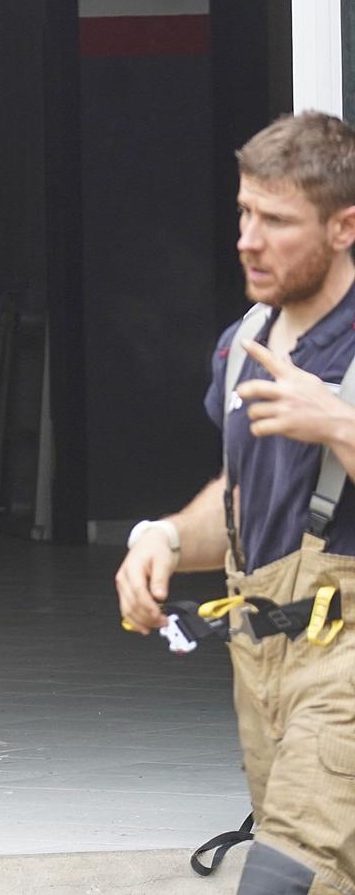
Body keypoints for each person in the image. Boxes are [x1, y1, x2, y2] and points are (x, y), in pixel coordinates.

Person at [115, 110, 355, 894]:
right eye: (245, 212)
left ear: (344, 225)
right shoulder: (243, 340)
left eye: (278, 220)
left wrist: (340, 424)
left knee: (282, 878)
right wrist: (166, 540)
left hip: (346, 659)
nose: (249, 238)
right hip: (264, 661)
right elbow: (244, 498)